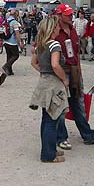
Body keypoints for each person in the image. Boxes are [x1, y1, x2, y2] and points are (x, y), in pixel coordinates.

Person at [54, 4, 94, 149]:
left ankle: (87, 134)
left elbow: (76, 52)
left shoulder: (72, 30)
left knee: (78, 103)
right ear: (59, 15)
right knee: (60, 105)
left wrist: (78, 71)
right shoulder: (53, 31)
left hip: (74, 70)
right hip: (60, 70)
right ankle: (61, 137)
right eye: (67, 14)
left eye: (71, 13)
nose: (71, 16)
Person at [29, 16, 69, 163]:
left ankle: (49, 149)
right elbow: (55, 65)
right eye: (57, 26)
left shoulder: (41, 44)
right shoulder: (54, 45)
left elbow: (33, 62)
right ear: (53, 29)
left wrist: (43, 71)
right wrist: (64, 79)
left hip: (44, 82)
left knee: (46, 119)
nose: (59, 28)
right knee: (53, 119)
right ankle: (48, 155)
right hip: (54, 84)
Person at [3, 9, 23, 76]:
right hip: (12, 41)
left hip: (5, 40)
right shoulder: (14, 22)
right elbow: (17, 33)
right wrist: (20, 42)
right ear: (15, 14)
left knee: (9, 56)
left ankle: (9, 71)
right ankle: (6, 66)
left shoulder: (6, 20)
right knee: (16, 55)